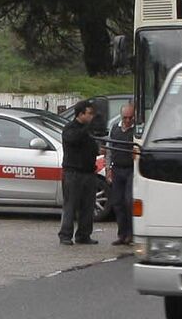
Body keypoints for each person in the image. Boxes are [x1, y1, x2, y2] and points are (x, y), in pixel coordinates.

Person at [58, 100, 99, 246]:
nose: (92, 116)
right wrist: (87, 129)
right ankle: (65, 235)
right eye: (89, 113)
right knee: (71, 205)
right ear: (80, 114)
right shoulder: (70, 128)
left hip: (88, 172)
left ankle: (83, 234)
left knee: (88, 206)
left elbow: (93, 147)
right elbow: (73, 139)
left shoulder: (89, 131)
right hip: (73, 173)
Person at [106, 102, 137, 246]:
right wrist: (108, 169)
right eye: (125, 118)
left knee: (128, 202)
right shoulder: (115, 129)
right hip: (117, 168)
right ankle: (122, 233)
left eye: (131, 118)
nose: (128, 121)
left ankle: (131, 234)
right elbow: (109, 150)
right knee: (117, 202)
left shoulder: (137, 131)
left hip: (131, 169)